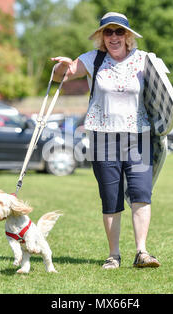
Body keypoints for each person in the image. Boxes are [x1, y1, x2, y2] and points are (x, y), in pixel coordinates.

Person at [51, 12, 161, 269]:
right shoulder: (93, 59)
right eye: (108, 32)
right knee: (110, 196)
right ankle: (114, 255)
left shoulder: (144, 60)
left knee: (141, 193)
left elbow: (162, 92)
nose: (113, 37)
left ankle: (142, 252)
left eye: (119, 32)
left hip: (138, 135)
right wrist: (63, 65)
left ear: (128, 36)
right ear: (102, 36)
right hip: (103, 136)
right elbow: (60, 77)